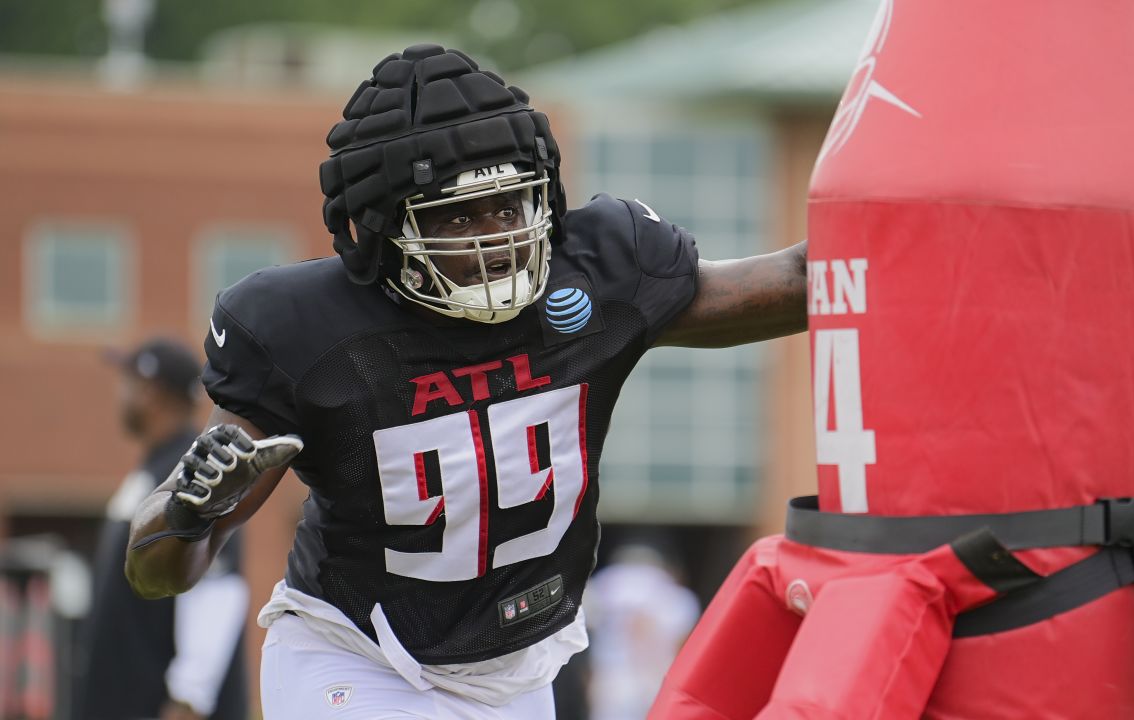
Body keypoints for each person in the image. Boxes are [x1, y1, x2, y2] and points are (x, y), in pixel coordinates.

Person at [123, 43, 805, 719]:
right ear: (384, 226)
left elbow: (808, 284)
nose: (494, 236)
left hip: (519, 667)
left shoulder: (596, 276)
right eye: (455, 215)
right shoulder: (311, 331)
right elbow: (155, 571)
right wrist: (189, 513)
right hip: (358, 654)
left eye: (509, 207)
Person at [76, 338, 248, 720]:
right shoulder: (160, 470)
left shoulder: (197, 472)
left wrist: (187, 701)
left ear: (150, 392)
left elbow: (217, 591)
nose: (119, 392)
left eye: (127, 381)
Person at [584, 543, 700, 720]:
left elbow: (582, 635)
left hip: (614, 679)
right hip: (653, 678)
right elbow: (684, 647)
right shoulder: (671, 592)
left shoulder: (606, 583)